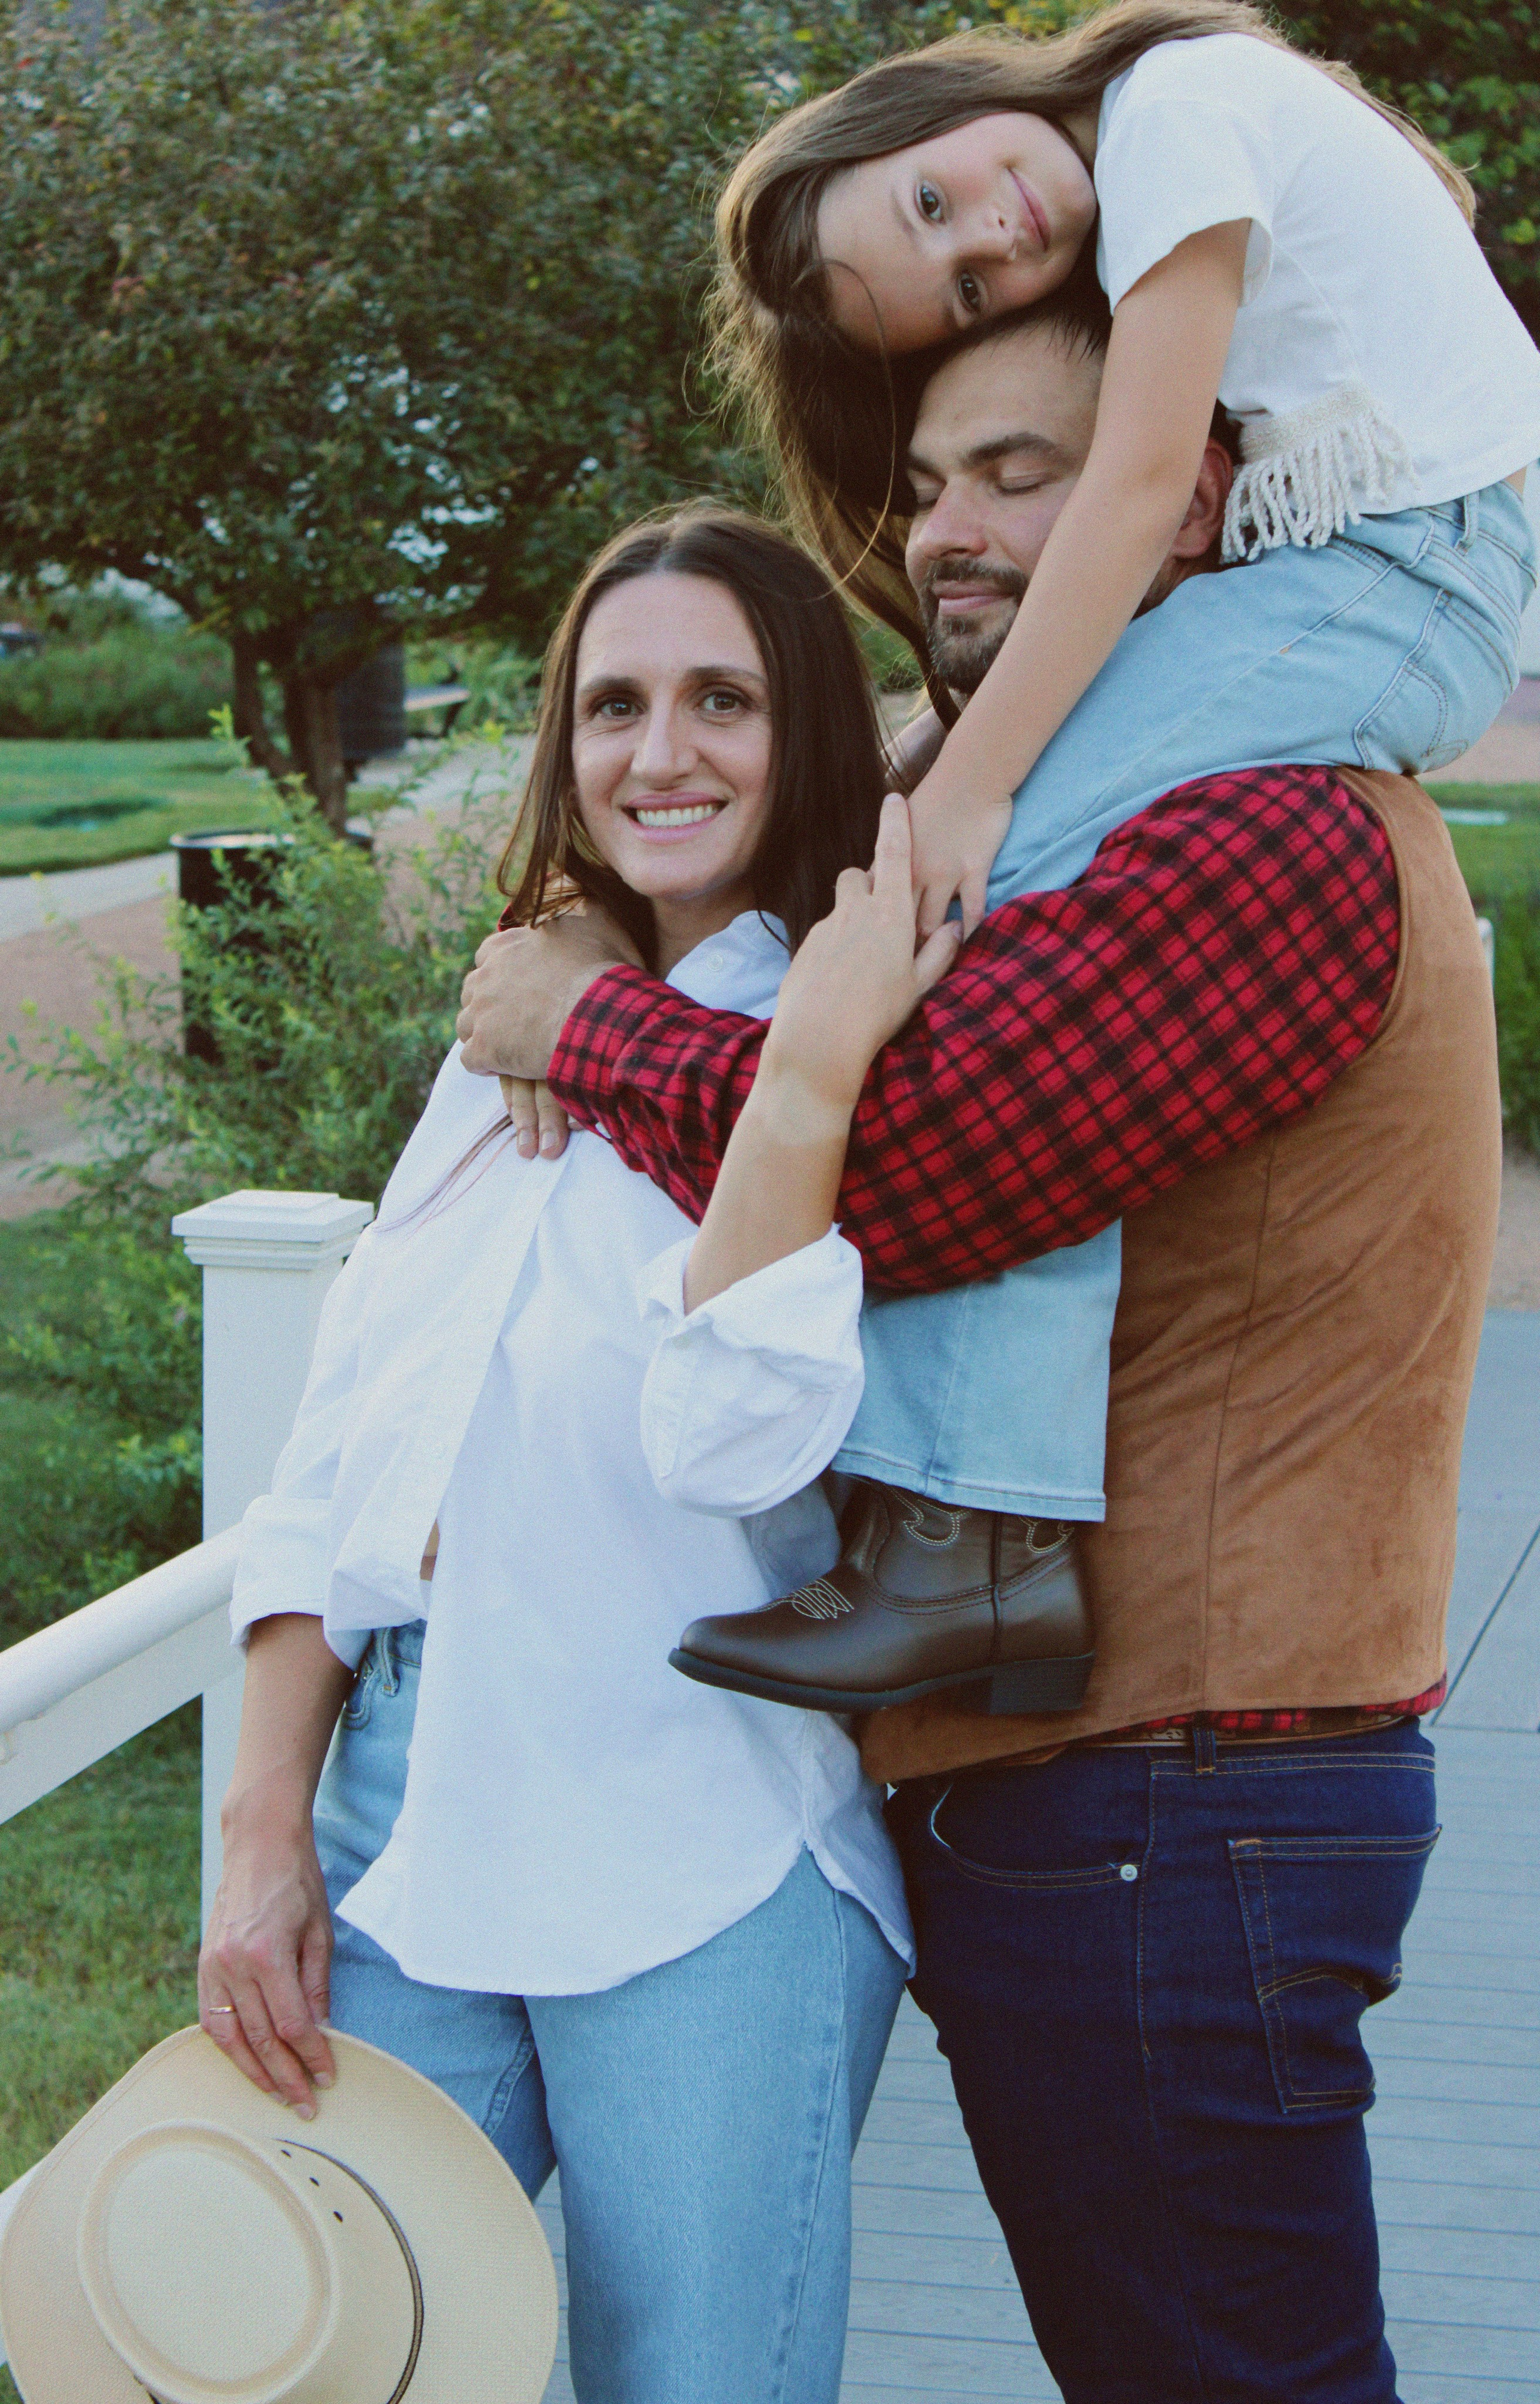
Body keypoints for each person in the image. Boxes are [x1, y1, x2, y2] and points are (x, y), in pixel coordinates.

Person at [454, 303, 1503, 2399]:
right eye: (928, 486)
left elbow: (917, 1163)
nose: (948, 530)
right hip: (1108, 1807)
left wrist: (586, 1027)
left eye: (1027, 470)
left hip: (1179, 1796)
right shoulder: (1092, 825)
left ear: (1195, 489)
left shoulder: (1270, 832)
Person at [644, 0, 1539, 1704]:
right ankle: (977, 1539)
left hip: (1395, 581)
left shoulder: (1178, 105)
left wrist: (979, 792)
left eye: (932, 206)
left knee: (991, 892)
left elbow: (1133, 489)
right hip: (1384, 578)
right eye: (964, 292)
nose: (990, 237)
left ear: (925, 104)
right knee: (966, 834)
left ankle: (970, 1541)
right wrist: (945, 772)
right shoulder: (1184, 137)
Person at [196, 507, 937, 2404]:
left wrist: (663, 1033)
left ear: (806, 733)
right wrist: (265, 1828)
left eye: (722, 700)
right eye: (614, 703)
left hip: (693, 1827)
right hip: (407, 1802)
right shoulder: (501, 1032)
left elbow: (734, 1436)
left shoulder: (837, 1036)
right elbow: (342, 1462)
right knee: (295, 2353)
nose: (659, 751)